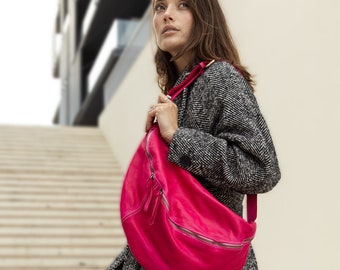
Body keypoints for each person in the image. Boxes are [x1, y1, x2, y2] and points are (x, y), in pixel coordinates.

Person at [107, 0, 281, 269]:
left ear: (204, 15)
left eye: (183, 5)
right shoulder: (177, 91)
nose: (167, 15)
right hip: (173, 253)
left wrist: (178, 137)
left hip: (206, 254)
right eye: (160, 7)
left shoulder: (220, 77)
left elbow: (262, 168)